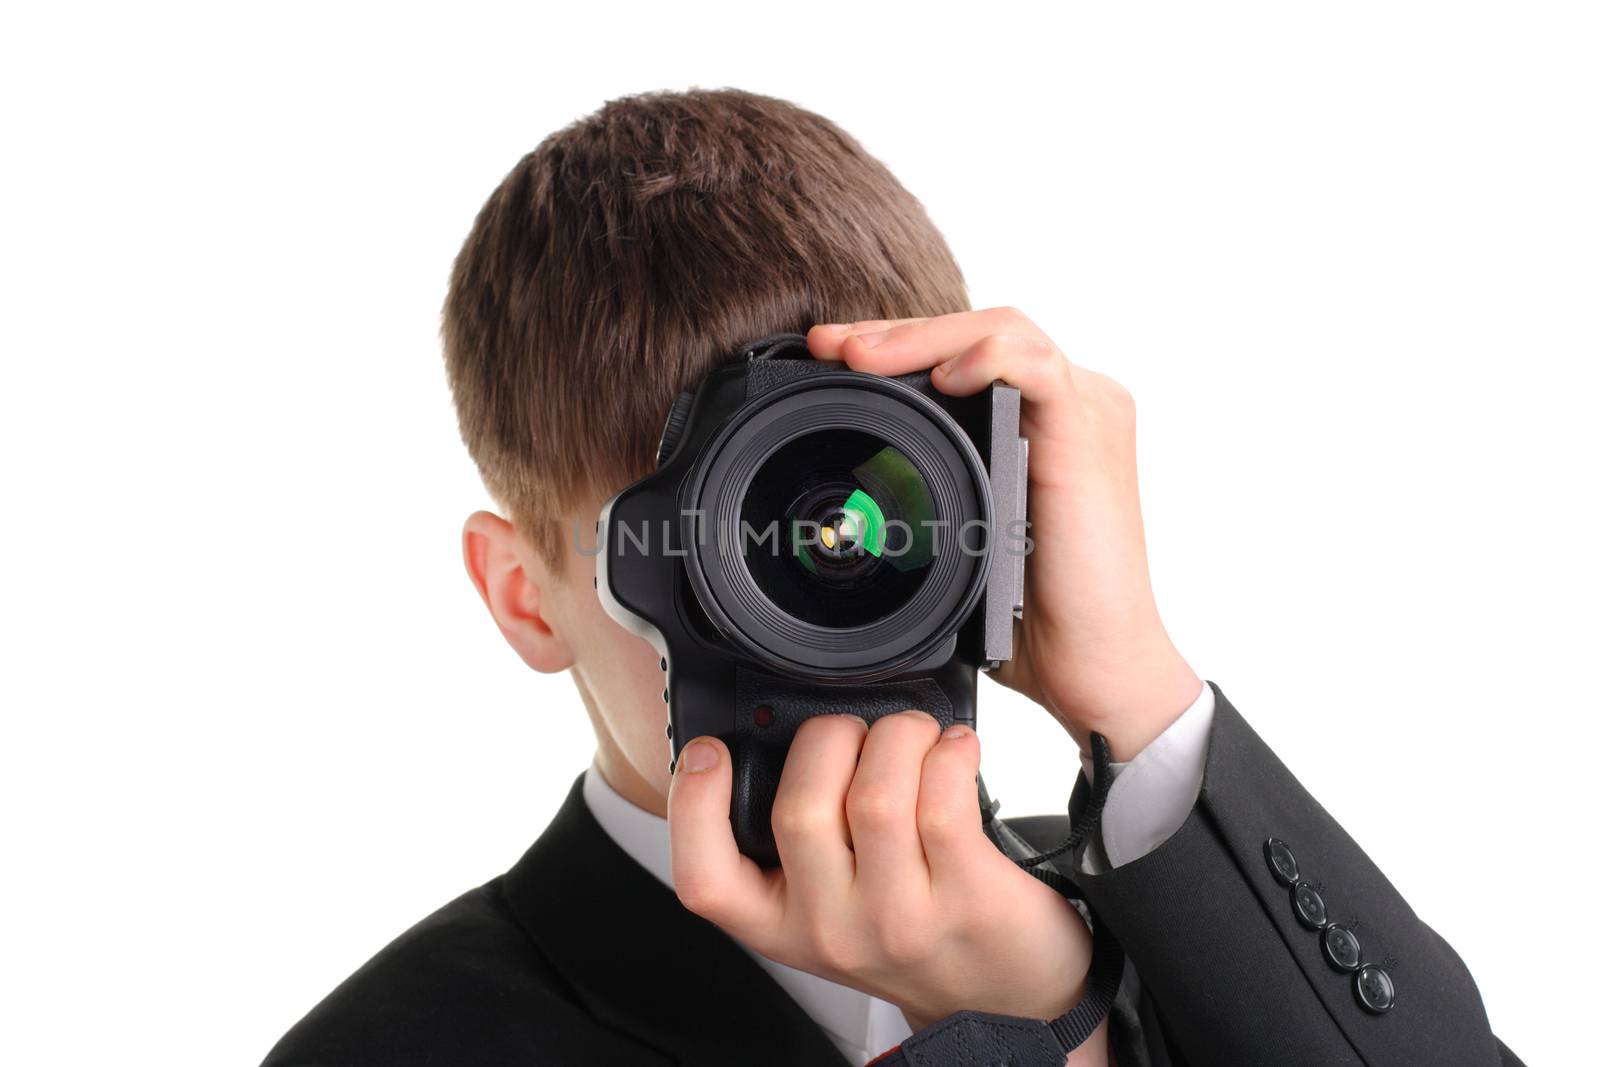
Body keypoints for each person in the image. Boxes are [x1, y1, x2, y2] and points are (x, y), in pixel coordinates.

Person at [261, 88, 1520, 1067]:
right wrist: (1020, 1029)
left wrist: (1135, 688)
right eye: (706, 536)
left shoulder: (1186, 926)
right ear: (521, 592)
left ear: (995, 508)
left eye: (875, 497)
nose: (818, 564)